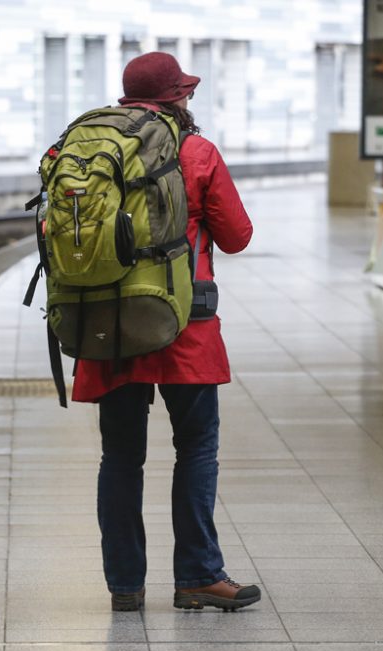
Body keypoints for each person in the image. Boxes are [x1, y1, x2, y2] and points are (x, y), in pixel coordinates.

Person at [71, 52, 260, 612]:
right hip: (184, 327)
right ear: (177, 98)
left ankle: (125, 586)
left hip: (110, 326)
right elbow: (238, 237)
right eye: (186, 94)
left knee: (121, 457)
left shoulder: (92, 146)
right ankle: (199, 575)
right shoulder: (195, 151)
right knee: (197, 448)